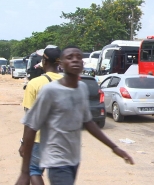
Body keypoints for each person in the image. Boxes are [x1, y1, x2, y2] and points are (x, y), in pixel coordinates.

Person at [16, 46, 134, 185]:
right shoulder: (50, 90)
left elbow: (89, 123)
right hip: (57, 160)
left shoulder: (82, 88)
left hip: (73, 159)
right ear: (61, 64)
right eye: (69, 57)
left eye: (78, 57)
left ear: (83, 64)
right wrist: (25, 172)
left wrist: (114, 147)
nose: (75, 60)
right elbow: (31, 126)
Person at [20, 46, 63, 185]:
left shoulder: (34, 84)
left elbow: (29, 118)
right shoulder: (71, 82)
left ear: (44, 61)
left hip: (40, 138)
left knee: (34, 170)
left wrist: (24, 143)